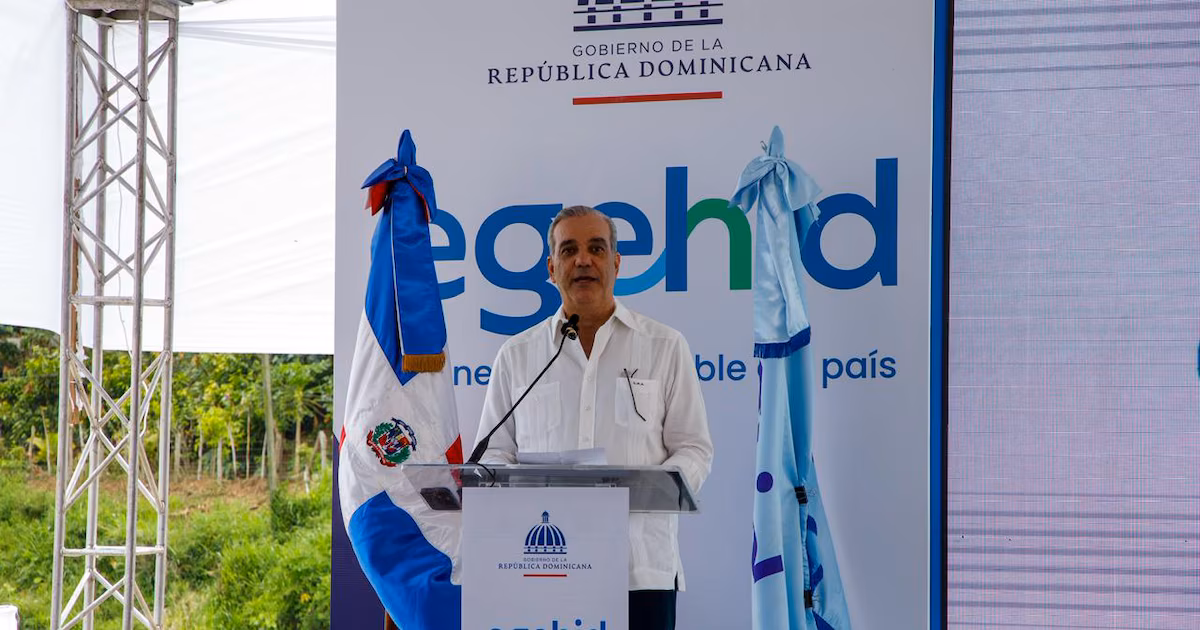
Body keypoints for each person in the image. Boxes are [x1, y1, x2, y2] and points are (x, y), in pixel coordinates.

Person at [475, 205, 714, 630]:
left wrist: (651, 490)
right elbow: (494, 454)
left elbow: (693, 448)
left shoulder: (664, 346)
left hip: (638, 568)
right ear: (552, 268)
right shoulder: (517, 356)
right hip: (541, 568)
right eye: (569, 250)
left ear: (616, 263)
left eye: (596, 248)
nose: (583, 260)